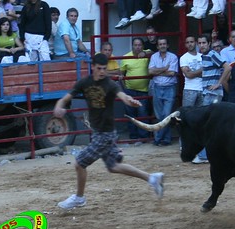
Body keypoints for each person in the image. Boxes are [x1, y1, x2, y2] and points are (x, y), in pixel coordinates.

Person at [53, 53, 164, 210]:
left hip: (105, 134)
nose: (102, 72)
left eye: (105, 69)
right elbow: (65, 98)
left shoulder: (110, 84)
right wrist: (59, 106)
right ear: (93, 67)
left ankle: (79, 198)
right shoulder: (84, 82)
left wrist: (130, 101)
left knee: (79, 163)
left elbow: (123, 96)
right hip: (101, 132)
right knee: (113, 167)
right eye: (99, 68)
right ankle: (152, 178)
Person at [192, 34, 231, 164]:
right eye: (200, 43)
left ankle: (205, 155)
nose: (201, 45)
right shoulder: (206, 56)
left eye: (204, 43)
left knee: (207, 125)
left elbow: (228, 67)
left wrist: (218, 83)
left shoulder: (212, 54)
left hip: (212, 94)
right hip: (209, 93)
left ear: (209, 44)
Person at [148, 37, 178, 146]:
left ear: (167, 45)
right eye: (160, 44)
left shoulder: (173, 57)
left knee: (166, 114)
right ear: (157, 46)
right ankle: (165, 139)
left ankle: (158, 138)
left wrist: (158, 71)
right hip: (157, 87)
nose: (162, 46)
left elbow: (172, 73)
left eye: (164, 44)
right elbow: (150, 71)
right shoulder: (153, 56)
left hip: (169, 88)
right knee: (159, 115)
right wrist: (165, 69)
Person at [120, 38, 152, 142]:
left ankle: (144, 137)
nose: (137, 47)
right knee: (131, 115)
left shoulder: (146, 55)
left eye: (139, 45)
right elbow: (121, 74)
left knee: (143, 114)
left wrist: (145, 53)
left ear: (142, 46)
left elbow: (153, 52)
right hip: (130, 91)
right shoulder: (125, 57)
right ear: (132, 46)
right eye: (135, 45)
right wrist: (125, 88)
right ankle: (133, 137)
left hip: (143, 90)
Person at [179, 35, 203, 107]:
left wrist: (192, 72)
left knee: (201, 114)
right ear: (185, 45)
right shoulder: (184, 58)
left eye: (191, 42)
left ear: (195, 43)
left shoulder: (202, 56)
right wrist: (202, 69)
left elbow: (206, 74)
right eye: (187, 42)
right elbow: (188, 75)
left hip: (202, 89)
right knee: (187, 113)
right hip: (189, 89)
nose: (190, 44)